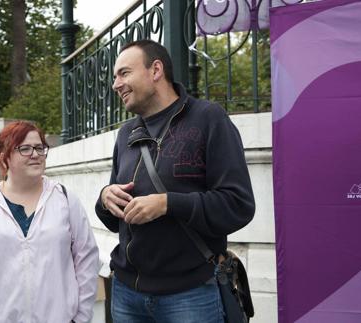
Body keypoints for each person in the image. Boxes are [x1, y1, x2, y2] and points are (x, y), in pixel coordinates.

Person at [95, 40, 255, 322]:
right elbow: (114, 220)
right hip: (126, 293)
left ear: (155, 70)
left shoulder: (208, 118)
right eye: (115, 77)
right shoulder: (126, 134)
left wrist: (168, 204)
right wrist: (106, 198)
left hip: (191, 295)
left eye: (124, 73)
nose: (115, 84)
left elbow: (238, 204)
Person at [0, 121, 99, 323]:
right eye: (25, 148)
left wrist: (81, 317)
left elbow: (87, 260)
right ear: (5, 156)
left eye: (40, 147)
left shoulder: (64, 199)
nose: (35, 154)